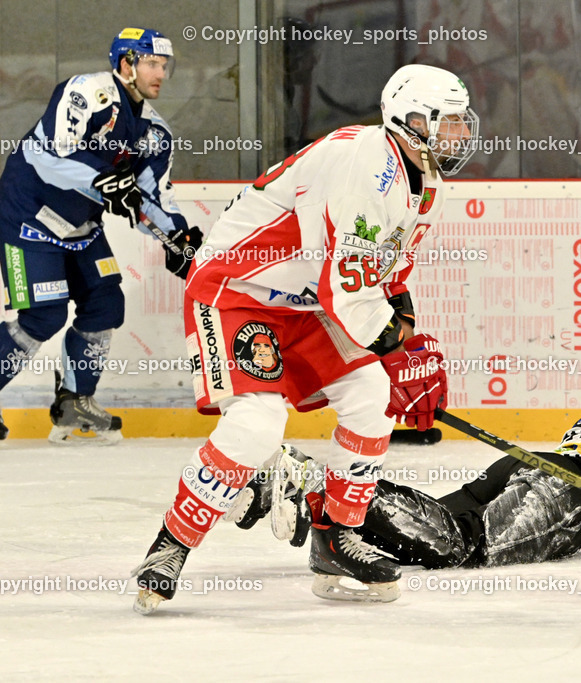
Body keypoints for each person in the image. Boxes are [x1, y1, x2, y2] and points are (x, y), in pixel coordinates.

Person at [131, 64, 480, 612]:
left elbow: (383, 274)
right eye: (451, 122)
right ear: (411, 121)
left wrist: (402, 335)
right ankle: (170, 546)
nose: (461, 135)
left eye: (463, 122)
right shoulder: (364, 166)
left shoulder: (425, 177)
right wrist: (395, 350)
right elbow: (345, 289)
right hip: (239, 291)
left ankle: (336, 540)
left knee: (370, 399)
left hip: (308, 302)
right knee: (257, 424)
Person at [0, 27, 202, 447]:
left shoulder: (154, 133)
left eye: (165, 65)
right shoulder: (85, 93)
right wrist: (105, 182)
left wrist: (178, 237)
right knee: (43, 314)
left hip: (80, 226)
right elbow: (49, 157)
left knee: (105, 302)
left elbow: (151, 198)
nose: (161, 74)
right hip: (26, 216)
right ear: (125, 64)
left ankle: (73, 403)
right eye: (152, 63)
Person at [253, 343, 581, 576]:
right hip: (566, 494)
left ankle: (332, 516)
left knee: (424, 528)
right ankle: (310, 477)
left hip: (525, 467)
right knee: (461, 545)